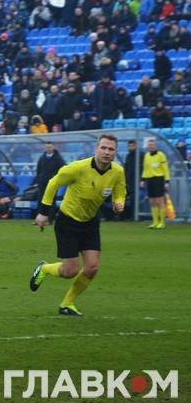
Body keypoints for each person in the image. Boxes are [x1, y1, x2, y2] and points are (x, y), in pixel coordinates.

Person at [30, 134, 126, 316]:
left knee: (92, 267)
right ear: (96, 149)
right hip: (67, 222)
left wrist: (118, 203)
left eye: (111, 149)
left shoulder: (118, 172)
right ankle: (44, 268)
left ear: (115, 153)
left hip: (90, 223)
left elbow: (119, 193)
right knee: (70, 271)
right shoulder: (78, 168)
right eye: (103, 148)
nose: (106, 152)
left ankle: (67, 304)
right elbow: (53, 183)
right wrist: (43, 212)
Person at [140, 138, 171, 229]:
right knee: (152, 201)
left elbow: (165, 169)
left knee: (160, 200)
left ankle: (162, 222)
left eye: (152, 145)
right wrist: (142, 180)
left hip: (159, 179)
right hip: (150, 180)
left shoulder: (161, 155)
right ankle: (155, 222)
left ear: (155, 146)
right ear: (147, 146)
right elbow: (145, 169)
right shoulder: (146, 156)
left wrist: (167, 181)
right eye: (149, 145)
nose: (151, 146)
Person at [32, 142, 66, 221]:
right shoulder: (42, 157)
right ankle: (39, 219)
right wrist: (38, 180)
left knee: (51, 201)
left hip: (52, 183)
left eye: (50, 147)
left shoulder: (58, 158)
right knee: (40, 200)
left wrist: (56, 177)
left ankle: (50, 219)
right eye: (47, 147)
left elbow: (63, 169)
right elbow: (38, 170)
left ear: (53, 147)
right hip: (42, 182)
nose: (48, 149)